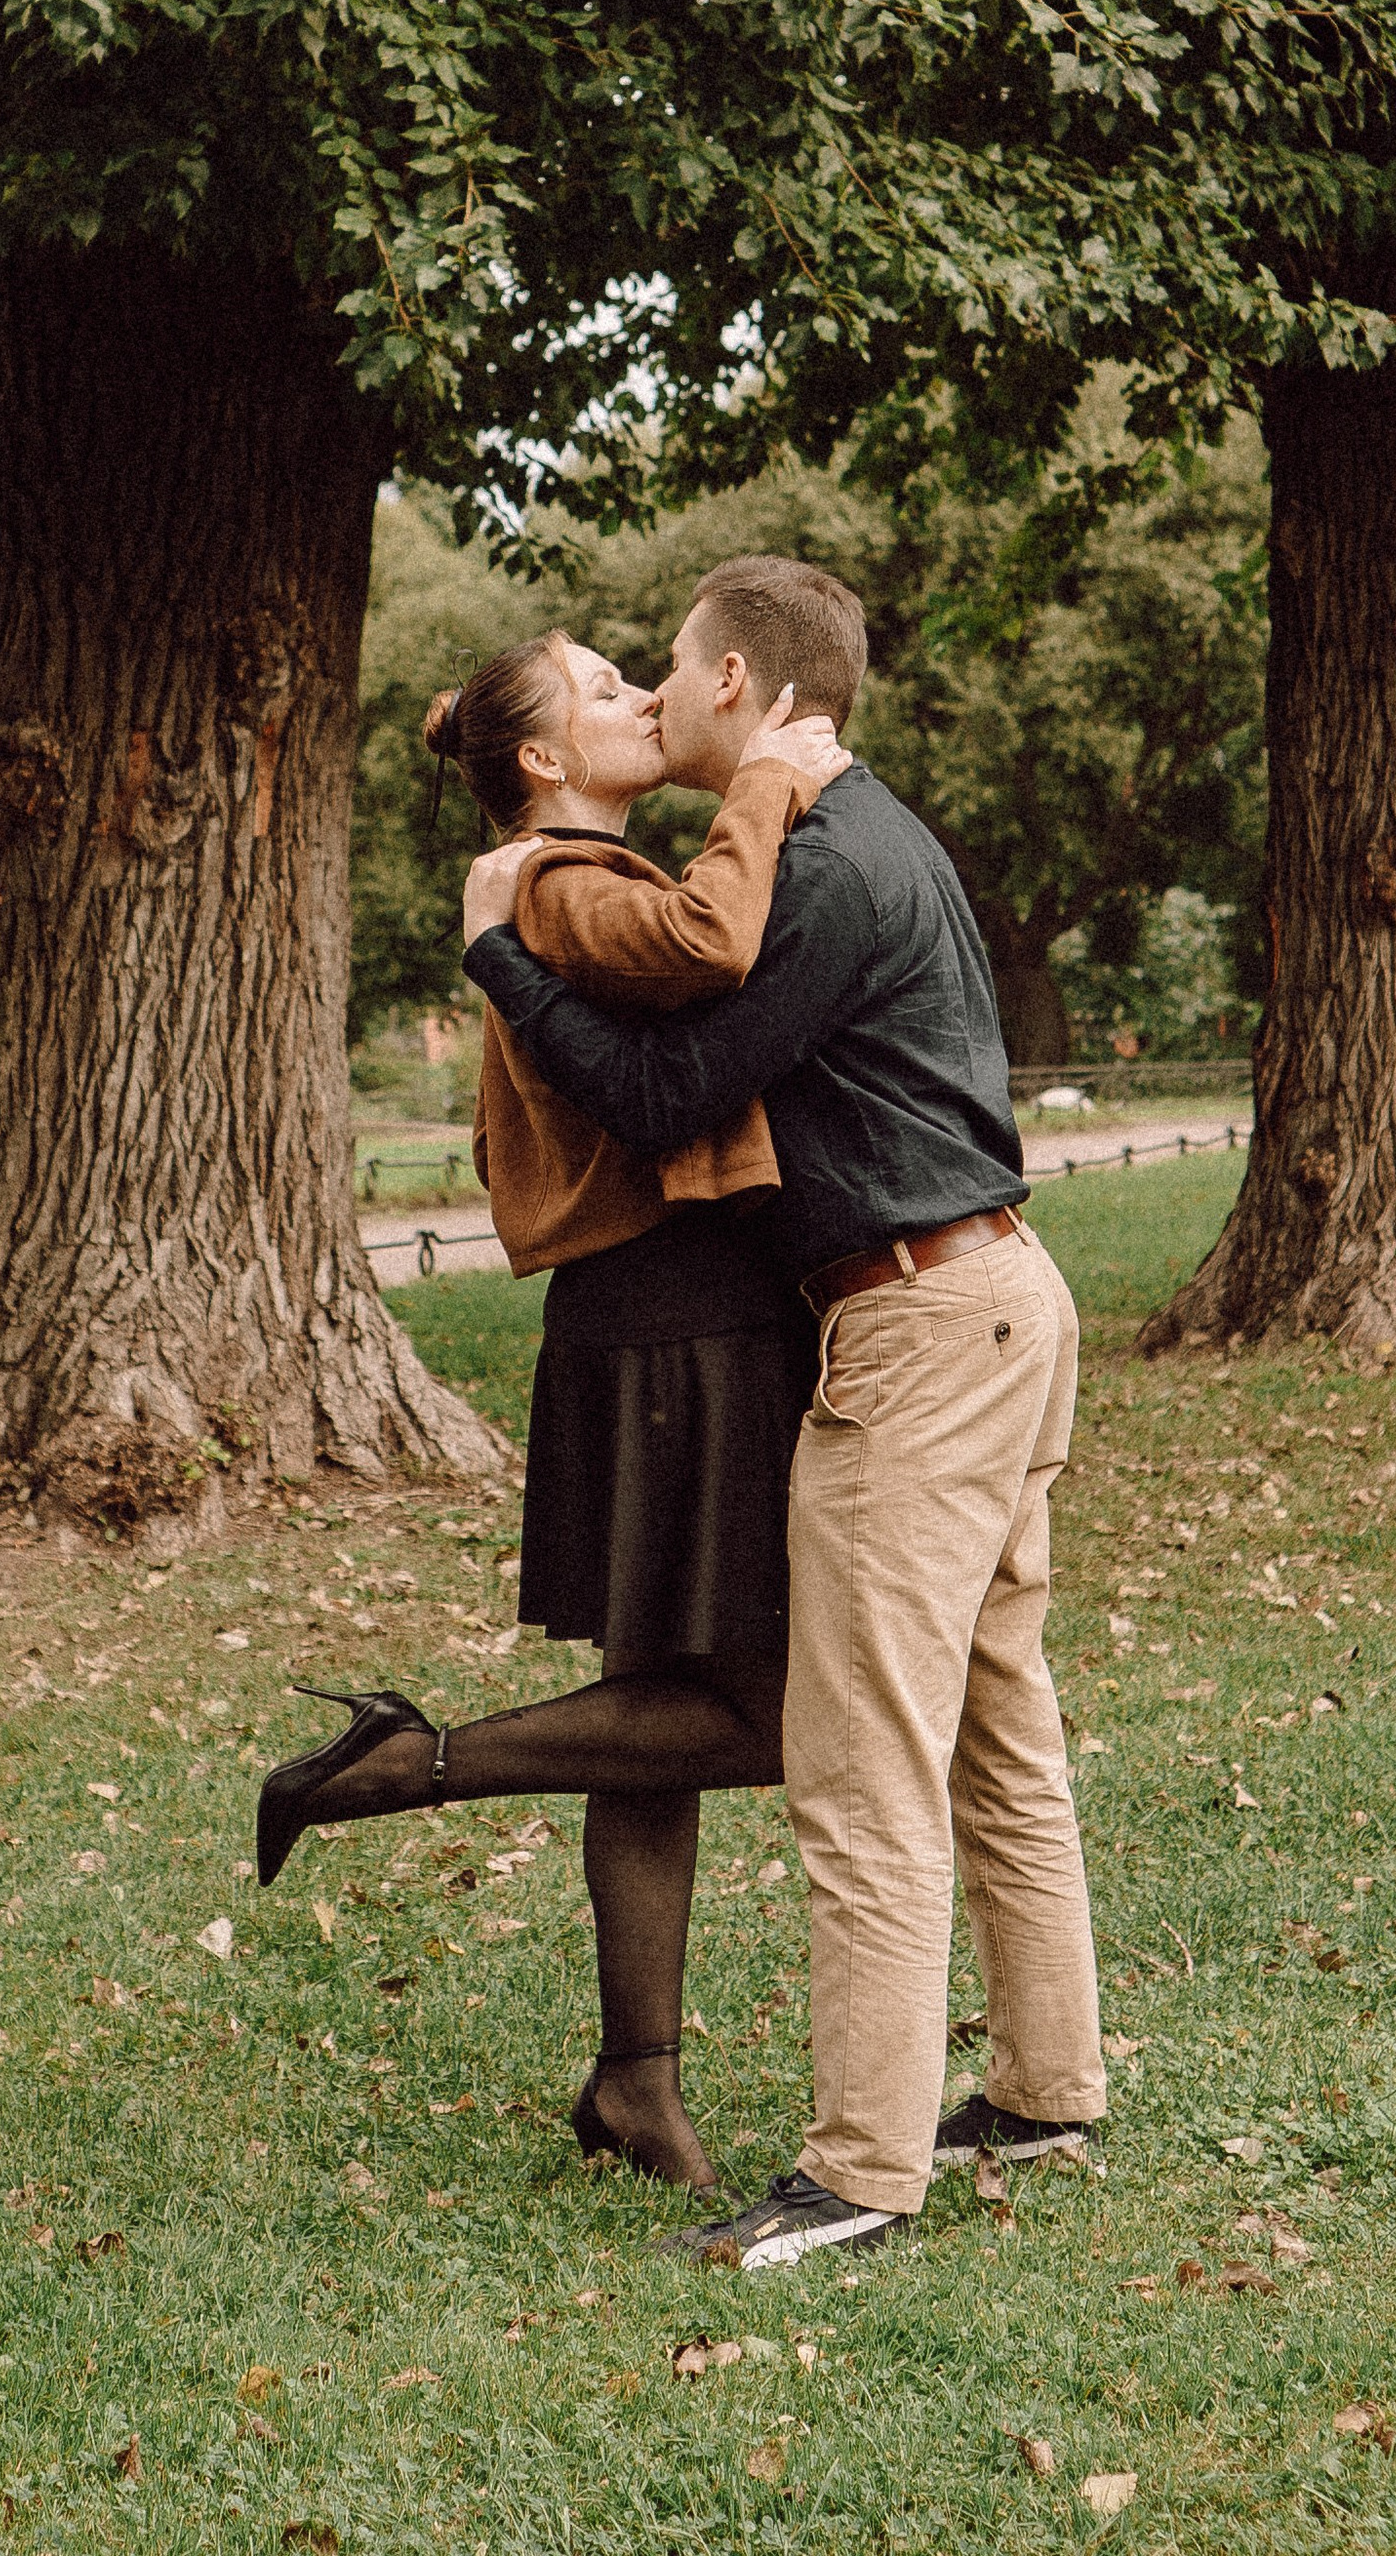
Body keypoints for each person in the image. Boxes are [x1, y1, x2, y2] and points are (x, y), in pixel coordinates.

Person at [460, 554, 1107, 2271]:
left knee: (864, 1765)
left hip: (919, 1328)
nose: (657, 699)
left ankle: (860, 2174)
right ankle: (1046, 2092)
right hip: (1000, 1296)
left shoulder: (812, 865)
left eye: (669, 673)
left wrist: (500, 958)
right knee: (995, 1728)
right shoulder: (874, 825)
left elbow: (668, 1088)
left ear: (739, 684)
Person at [256, 627, 848, 2193]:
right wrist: (773, 781)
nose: (643, 699)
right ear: (540, 759)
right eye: (602, 692)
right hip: (678, 1325)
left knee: (654, 1711)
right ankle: (413, 1760)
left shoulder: (557, 881)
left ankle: (634, 2081)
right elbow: (716, 946)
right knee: (765, 1718)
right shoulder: (565, 882)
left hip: (650, 1321)